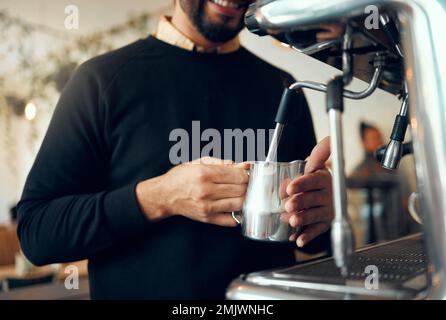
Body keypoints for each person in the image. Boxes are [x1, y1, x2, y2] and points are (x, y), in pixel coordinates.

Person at [17, 0, 335, 299]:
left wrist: (324, 211)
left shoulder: (283, 87)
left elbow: (310, 240)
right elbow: (38, 234)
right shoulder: (101, 81)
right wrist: (160, 197)